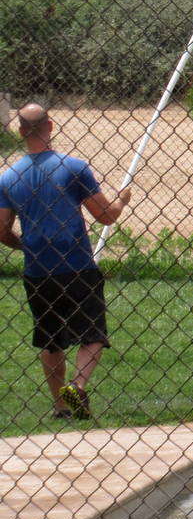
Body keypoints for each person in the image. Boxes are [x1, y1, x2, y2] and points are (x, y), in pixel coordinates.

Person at [0, 104, 132, 420]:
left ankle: (61, 406)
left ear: (20, 131)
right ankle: (78, 384)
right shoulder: (73, 168)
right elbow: (105, 215)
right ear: (51, 126)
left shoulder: (8, 178)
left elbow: (2, 230)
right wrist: (122, 200)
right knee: (93, 333)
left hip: (38, 271)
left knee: (50, 339)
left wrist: (23, 246)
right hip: (76, 265)